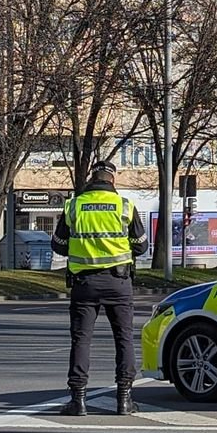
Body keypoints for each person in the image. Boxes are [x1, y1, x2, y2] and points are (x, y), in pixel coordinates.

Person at [51, 161, 149, 416]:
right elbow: (141, 246)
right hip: (119, 283)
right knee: (124, 338)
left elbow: (58, 244)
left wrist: (82, 247)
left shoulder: (74, 205)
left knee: (81, 340)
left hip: (84, 284)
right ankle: (124, 400)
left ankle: (78, 400)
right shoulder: (124, 206)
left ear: (92, 179)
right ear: (112, 180)